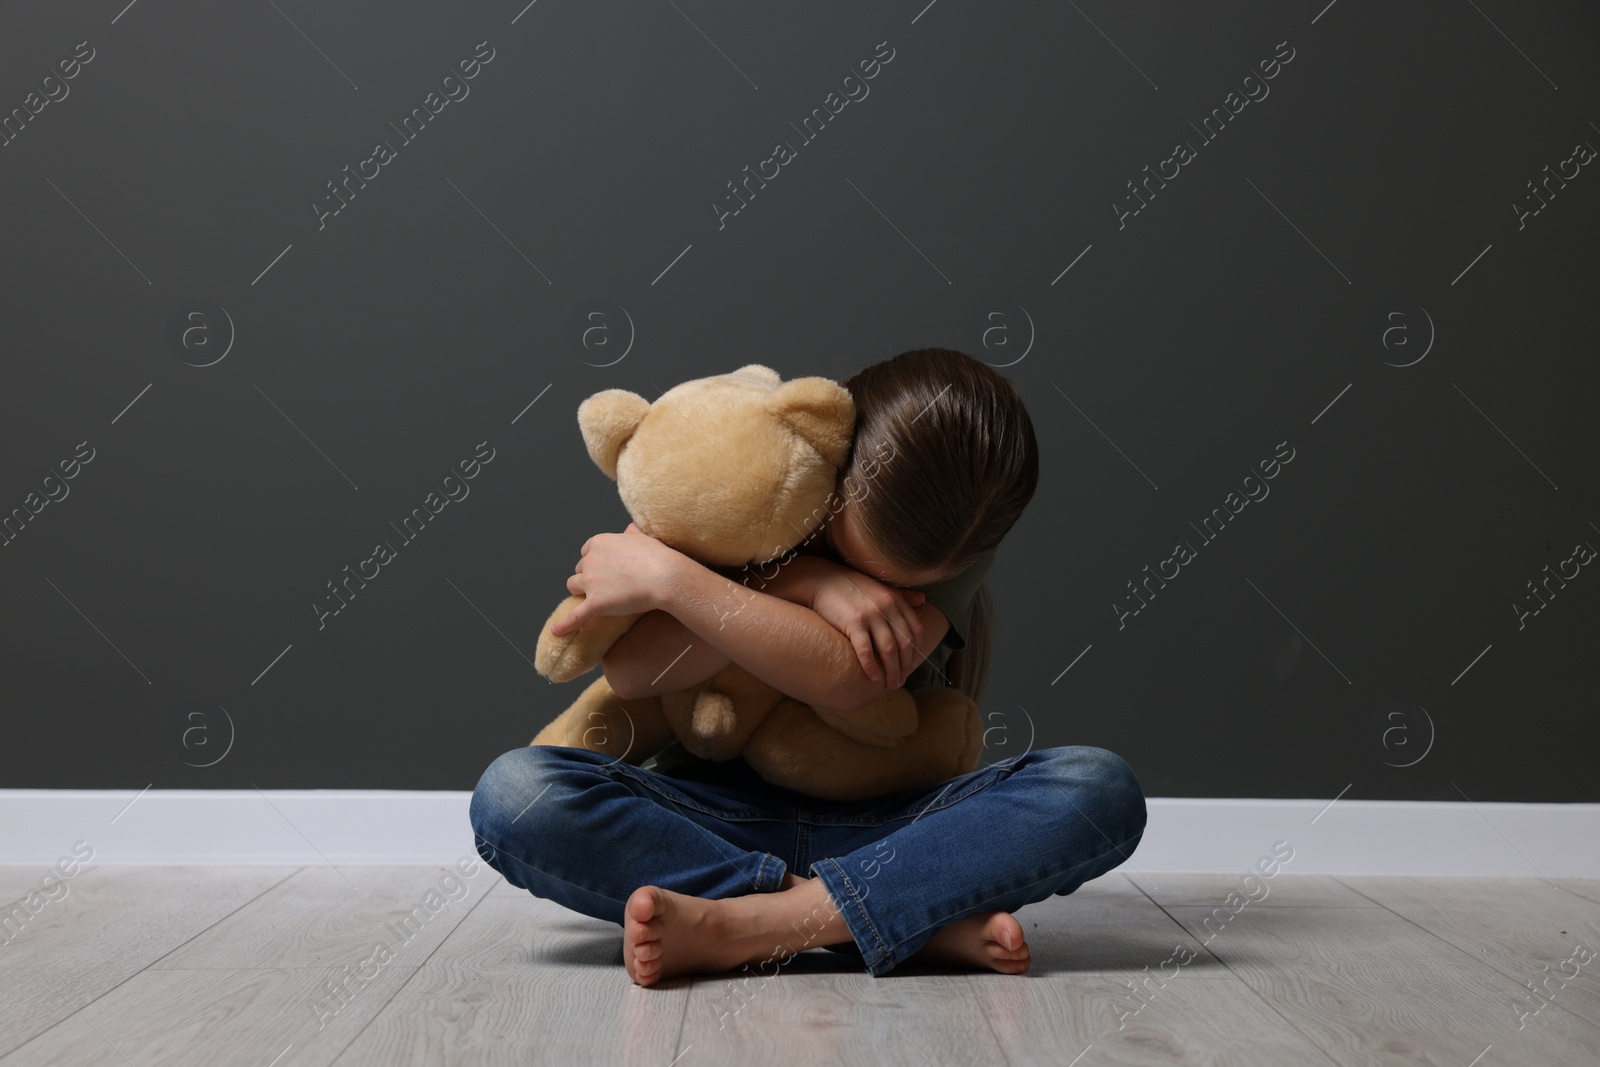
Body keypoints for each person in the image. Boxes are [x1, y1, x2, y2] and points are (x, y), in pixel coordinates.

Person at [469, 348, 1146, 986]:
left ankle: (757, 923)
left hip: (895, 824)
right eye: (846, 550)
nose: (867, 587)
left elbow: (853, 677)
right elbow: (635, 670)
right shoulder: (755, 470)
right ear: (836, 453)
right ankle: (878, 916)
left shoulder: (958, 536)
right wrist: (806, 580)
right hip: (707, 817)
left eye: (895, 590)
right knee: (514, 794)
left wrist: (681, 582)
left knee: (1098, 787)